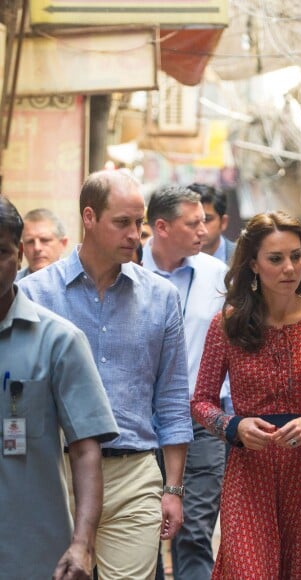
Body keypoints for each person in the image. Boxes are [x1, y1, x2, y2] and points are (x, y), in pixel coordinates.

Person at [18, 170, 192, 580]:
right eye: (122, 223)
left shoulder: (161, 297)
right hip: (55, 476)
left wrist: (173, 489)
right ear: (89, 218)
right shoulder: (34, 295)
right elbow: (15, 394)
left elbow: (171, 397)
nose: (135, 234)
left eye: (139, 223)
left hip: (134, 476)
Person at [191, 211, 301, 579]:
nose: (290, 267)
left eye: (296, 256)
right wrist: (233, 426)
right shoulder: (227, 324)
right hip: (248, 473)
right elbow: (200, 402)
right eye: (276, 258)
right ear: (253, 264)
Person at [0, 196, 119, 580]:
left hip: (33, 552)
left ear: (17, 255)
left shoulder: (58, 340)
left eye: (0, 251)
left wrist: (83, 543)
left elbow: (86, 449)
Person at [143, 185, 228, 580]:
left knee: (194, 531)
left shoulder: (217, 276)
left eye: (205, 221)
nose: (204, 231)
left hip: (202, 419)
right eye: (193, 223)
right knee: (142, 532)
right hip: (139, 420)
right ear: (162, 227)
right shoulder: (129, 271)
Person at [189, 183, 236, 264]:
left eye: (206, 220)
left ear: (223, 222)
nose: (200, 230)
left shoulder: (244, 258)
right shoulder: (170, 259)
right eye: (192, 221)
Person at [16, 207, 68, 279]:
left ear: (63, 243)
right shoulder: (9, 285)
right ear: (22, 248)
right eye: (30, 241)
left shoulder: (77, 283)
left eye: (44, 240)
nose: (37, 248)